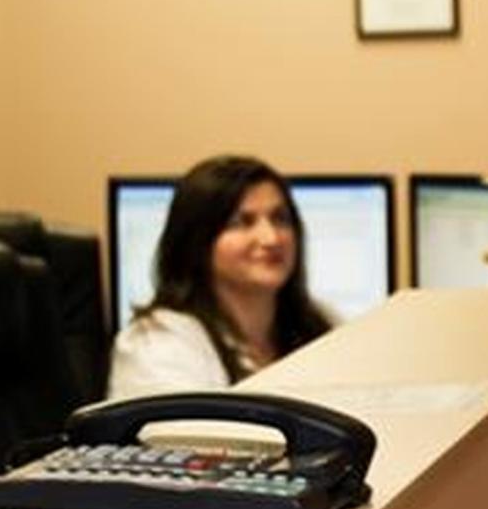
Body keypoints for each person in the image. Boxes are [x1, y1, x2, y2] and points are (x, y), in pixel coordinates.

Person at [109, 155, 332, 399]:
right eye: (242, 222)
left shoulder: (321, 327)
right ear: (198, 241)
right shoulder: (157, 343)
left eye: (280, 219)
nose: (271, 238)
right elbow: (183, 434)